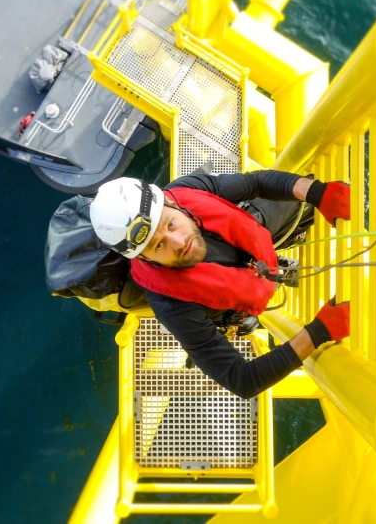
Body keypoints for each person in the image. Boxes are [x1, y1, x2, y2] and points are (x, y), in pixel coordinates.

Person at [90, 169, 350, 398]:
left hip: (245, 250)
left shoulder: (186, 190)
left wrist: (317, 193)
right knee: (245, 318)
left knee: (297, 195)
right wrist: (318, 332)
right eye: (159, 245)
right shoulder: (171, 305)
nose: (178, 242)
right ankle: (254, 295)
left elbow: (255, 183)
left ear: (172, 203)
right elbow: (242, 379)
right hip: (225, 299)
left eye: (171, 224)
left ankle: (278, 253)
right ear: (144, 259)